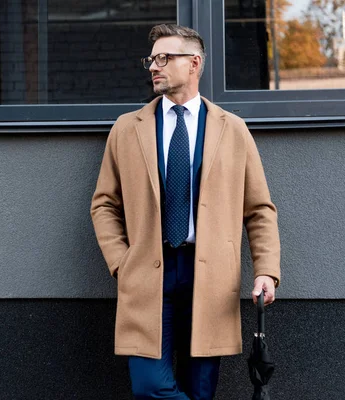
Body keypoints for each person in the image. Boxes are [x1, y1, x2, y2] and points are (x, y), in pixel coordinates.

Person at [90, 24, 280, 400]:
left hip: (209, 278)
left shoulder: (233, 129)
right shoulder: (127, 129)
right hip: (147, 273)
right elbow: (104, 204)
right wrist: (121, 261)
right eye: (151, 59)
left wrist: (267, 272)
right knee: (149, 385)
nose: (153, 67)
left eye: (164, 58)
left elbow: (259, 209)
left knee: (200, 389)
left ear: (194, 64)